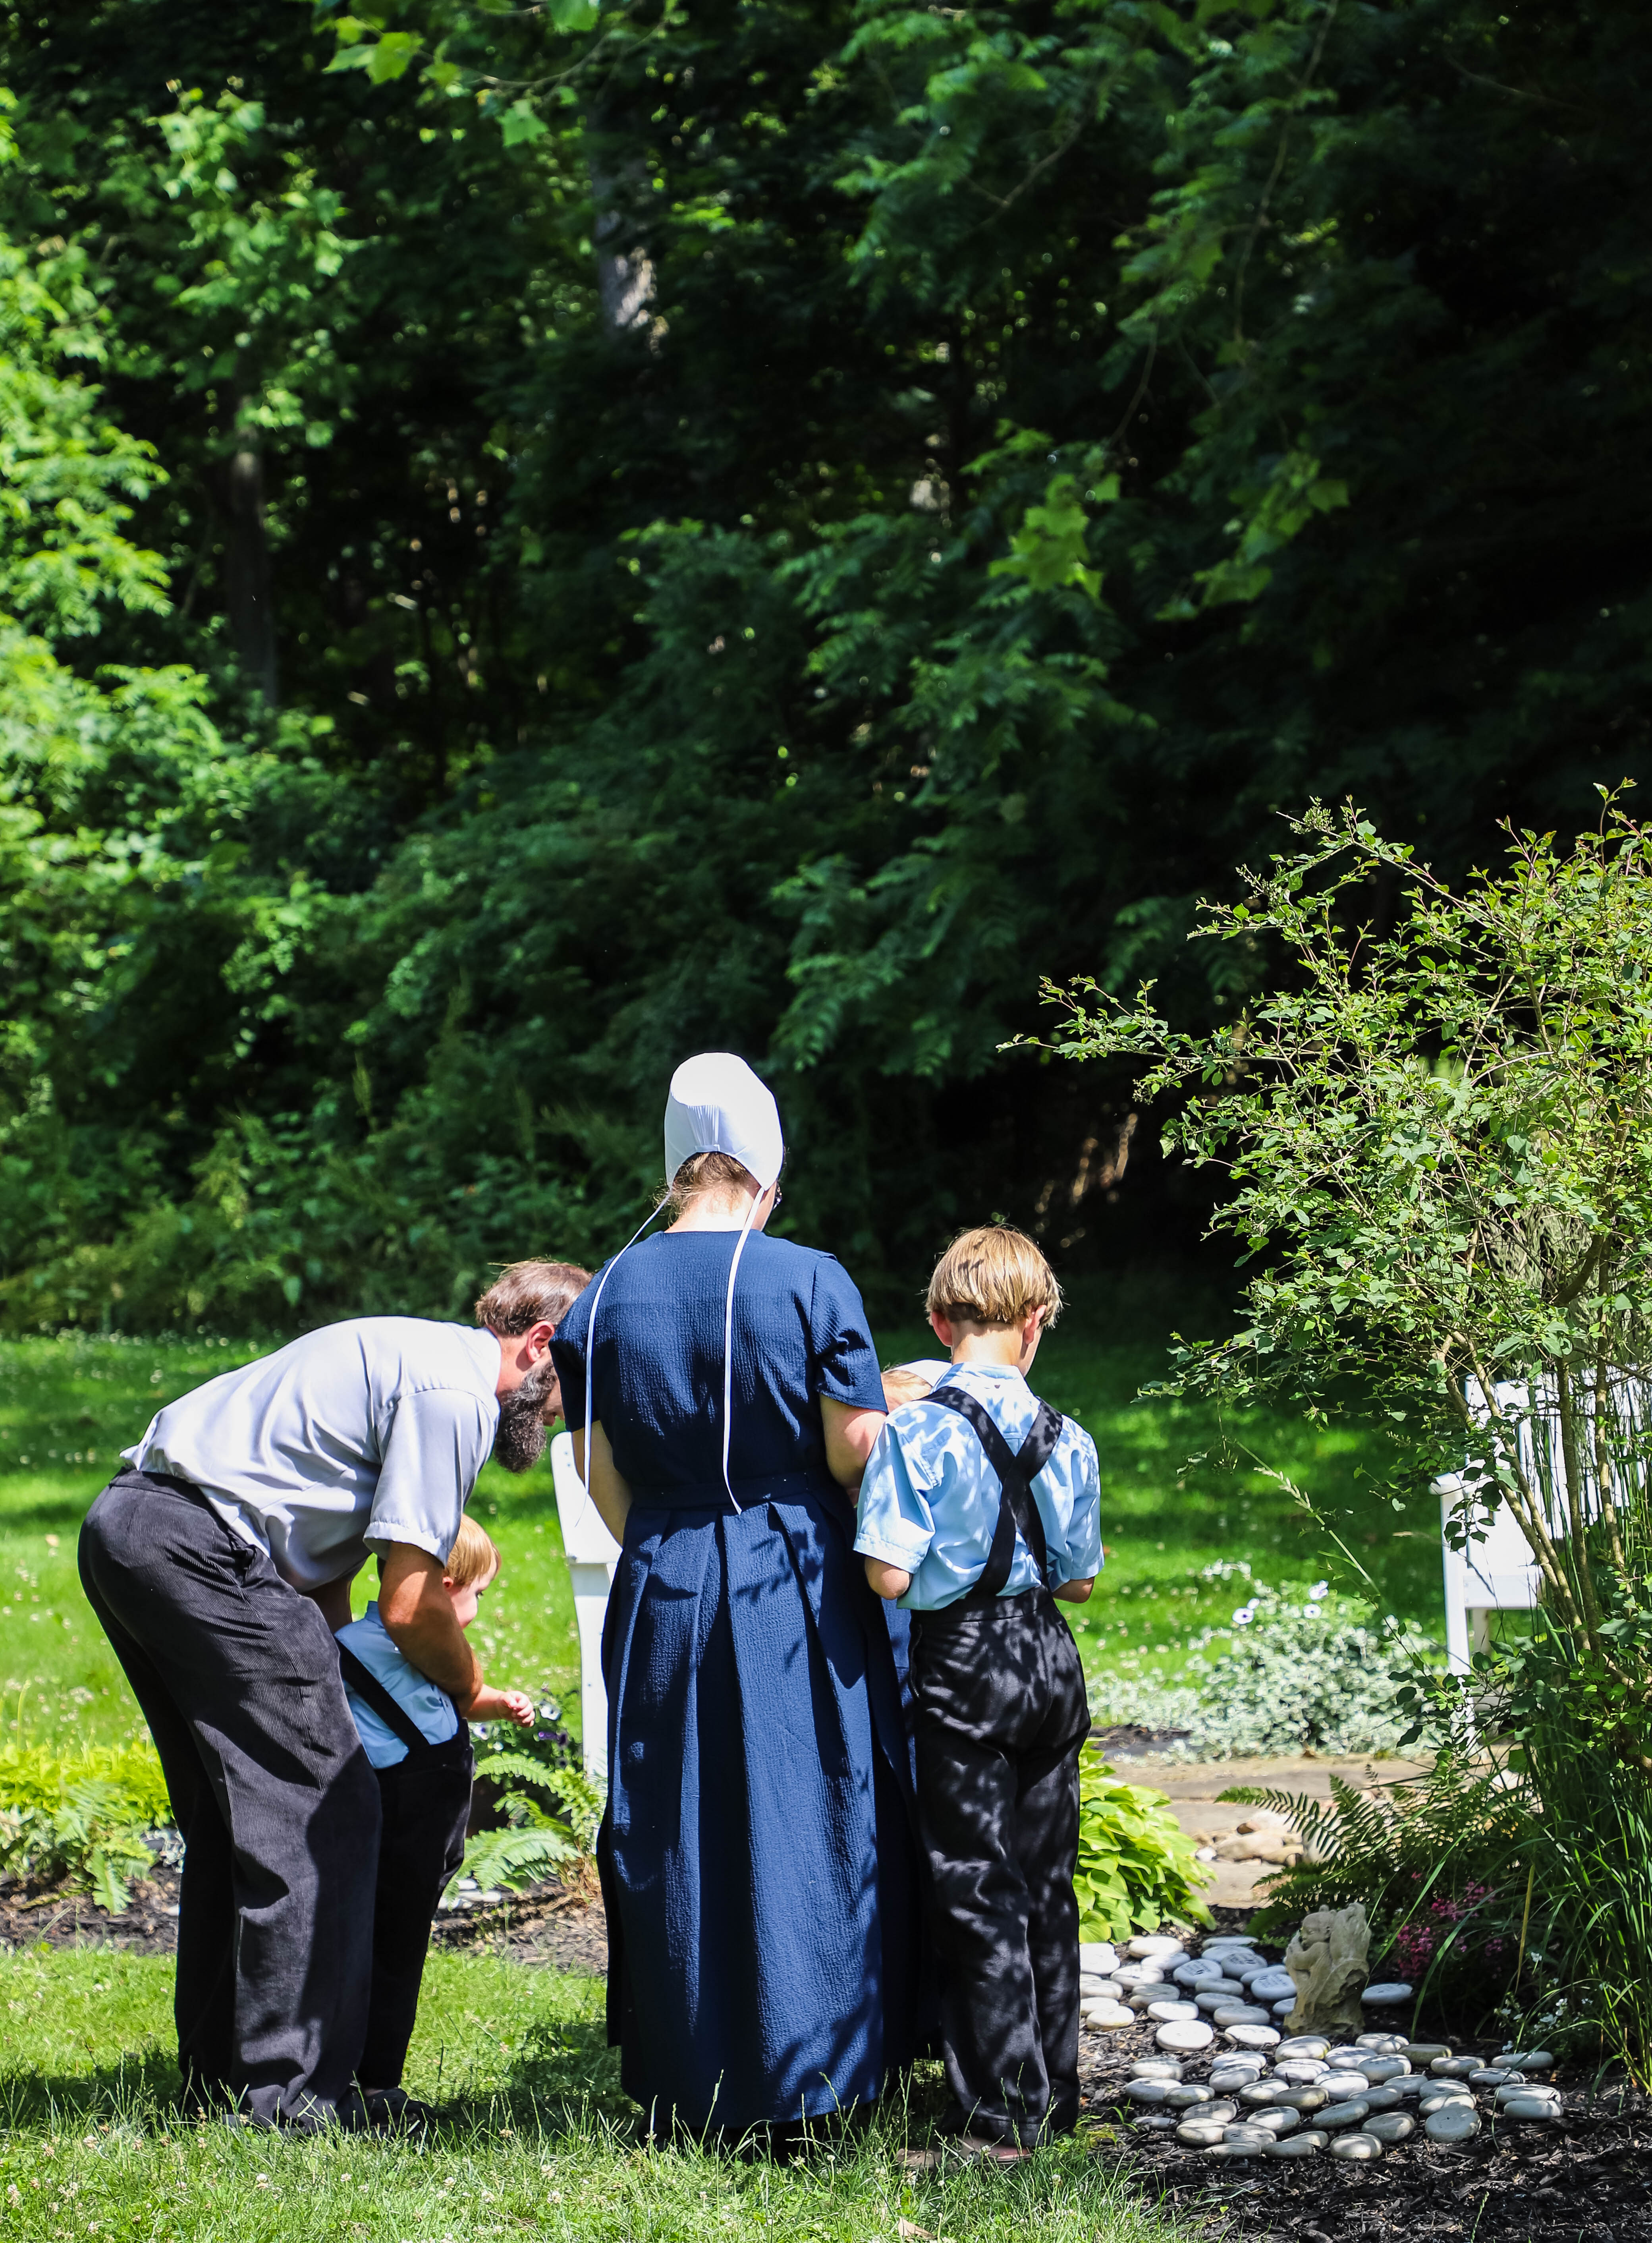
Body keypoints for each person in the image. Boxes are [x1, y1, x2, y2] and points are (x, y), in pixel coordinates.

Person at [77, 1258, 588, 2129]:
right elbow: (411, 1604)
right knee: (331, 1812)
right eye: (571, 1393)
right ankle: (294, 2099)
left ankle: (218, 2075)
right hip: (202, 1549)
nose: (567, 1420)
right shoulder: (451, 1394)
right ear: (540, 1346)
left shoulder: (404, 1353)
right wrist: (466, 1690)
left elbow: (320, 1587)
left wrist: (332, 1689)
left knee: (234, 1814)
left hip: (131, 1526)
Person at [550, 1051, 922, 2136]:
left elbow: (596, 1473)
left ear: (675, 1167)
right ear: (764, 1169)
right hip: (794, 1567)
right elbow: (854, 1450)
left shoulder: (602, 1297)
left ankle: (687, 2079)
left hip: (665, 1572)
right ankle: (819, 2077)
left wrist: (672, 1542)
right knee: (812, 1803)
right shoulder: (810, 1278)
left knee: (675, 1815)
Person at [855, 1225, 1100, 2155]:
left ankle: (1003, 2111)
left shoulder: (916, 1431)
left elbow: (886, 1573)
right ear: (1035, 1324)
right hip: (1047, 1658)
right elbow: (1077, 1578)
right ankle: (1056, 2091)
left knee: (973, 1883)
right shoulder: (1067, 1435)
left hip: (960, 1660)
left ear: (935, 1319)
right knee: (1046, 1882)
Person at [336, 1513, 535, 2117]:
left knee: (383, 1946)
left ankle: (362, 2075)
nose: (479, 1610)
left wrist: (497, 1704)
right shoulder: (377, 1647)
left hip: (426, 1826)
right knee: (393, 1952)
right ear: (445, 1589)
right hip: (404, 1824)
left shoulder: (375, 1644)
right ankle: (377, 2083)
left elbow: (454, 1702)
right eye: (478, 1595)